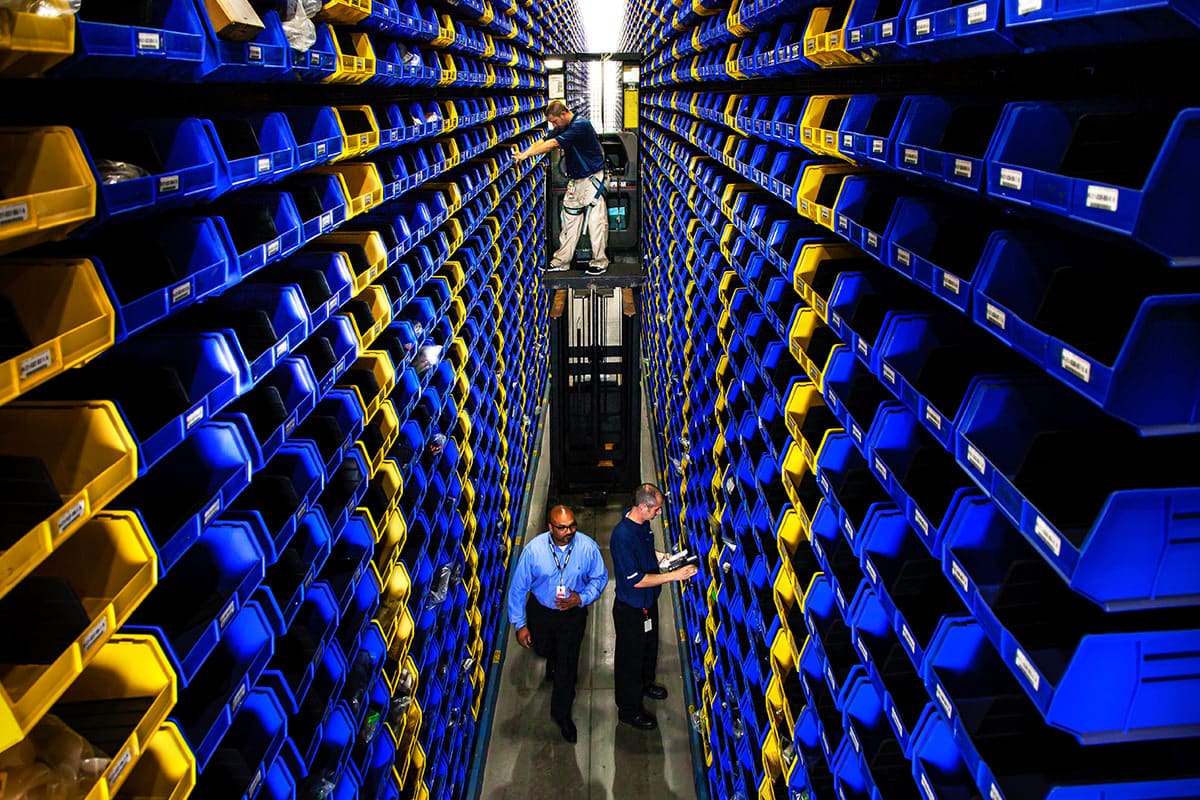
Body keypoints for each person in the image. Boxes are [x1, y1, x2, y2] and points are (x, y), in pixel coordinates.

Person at [507, 504, 609, 742]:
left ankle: (561, 714)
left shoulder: (587, 548)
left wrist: (581, 598)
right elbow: (519, 588)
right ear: (550, 527)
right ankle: (551, 661)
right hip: (542, 613)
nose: (569, 531)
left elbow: (600, 577)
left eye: (572, 525)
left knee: (568, 665)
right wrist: (520, 624)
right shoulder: (533, 552)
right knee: (543, 648)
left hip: (572, 616)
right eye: (562, 527)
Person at [609, 484, 698, 730]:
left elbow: (646, 551)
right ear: (642, 507)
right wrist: (675, 575)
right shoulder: (622, 537)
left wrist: (663, 557)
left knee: (648, 650)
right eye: (656, 509)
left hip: (649, 604)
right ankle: (629, 710)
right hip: (632, 610)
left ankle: (646, 684)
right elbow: (637, 580)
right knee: (630, 660)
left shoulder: (641, 524)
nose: (659, 513)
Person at [513, 99, 610, 276]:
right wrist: (524, 152)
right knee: (569, 221)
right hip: (576, 180)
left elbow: (552, 145)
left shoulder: (581, 125)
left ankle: (599, 262)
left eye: (554, 121)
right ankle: (561, 261)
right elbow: (544, 141)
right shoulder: (563, 127)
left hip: (592, 179)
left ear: (564, 114)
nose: (553, 125)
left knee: (596, 221)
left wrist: (527, 155)